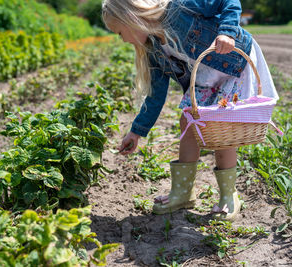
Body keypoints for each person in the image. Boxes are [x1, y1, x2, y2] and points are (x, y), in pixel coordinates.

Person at [102, 0, 278, 221]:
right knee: (189, 121)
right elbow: (155, 96)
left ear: (131, 18)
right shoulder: (153, 50)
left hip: (233, 63)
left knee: (221, 127)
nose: (123, 40)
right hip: (207, 75)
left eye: (119, 32)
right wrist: (136, 131)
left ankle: (229, 195)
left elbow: (228, 1)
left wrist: (227, 32)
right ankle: (183, 193)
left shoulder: (181, 8)